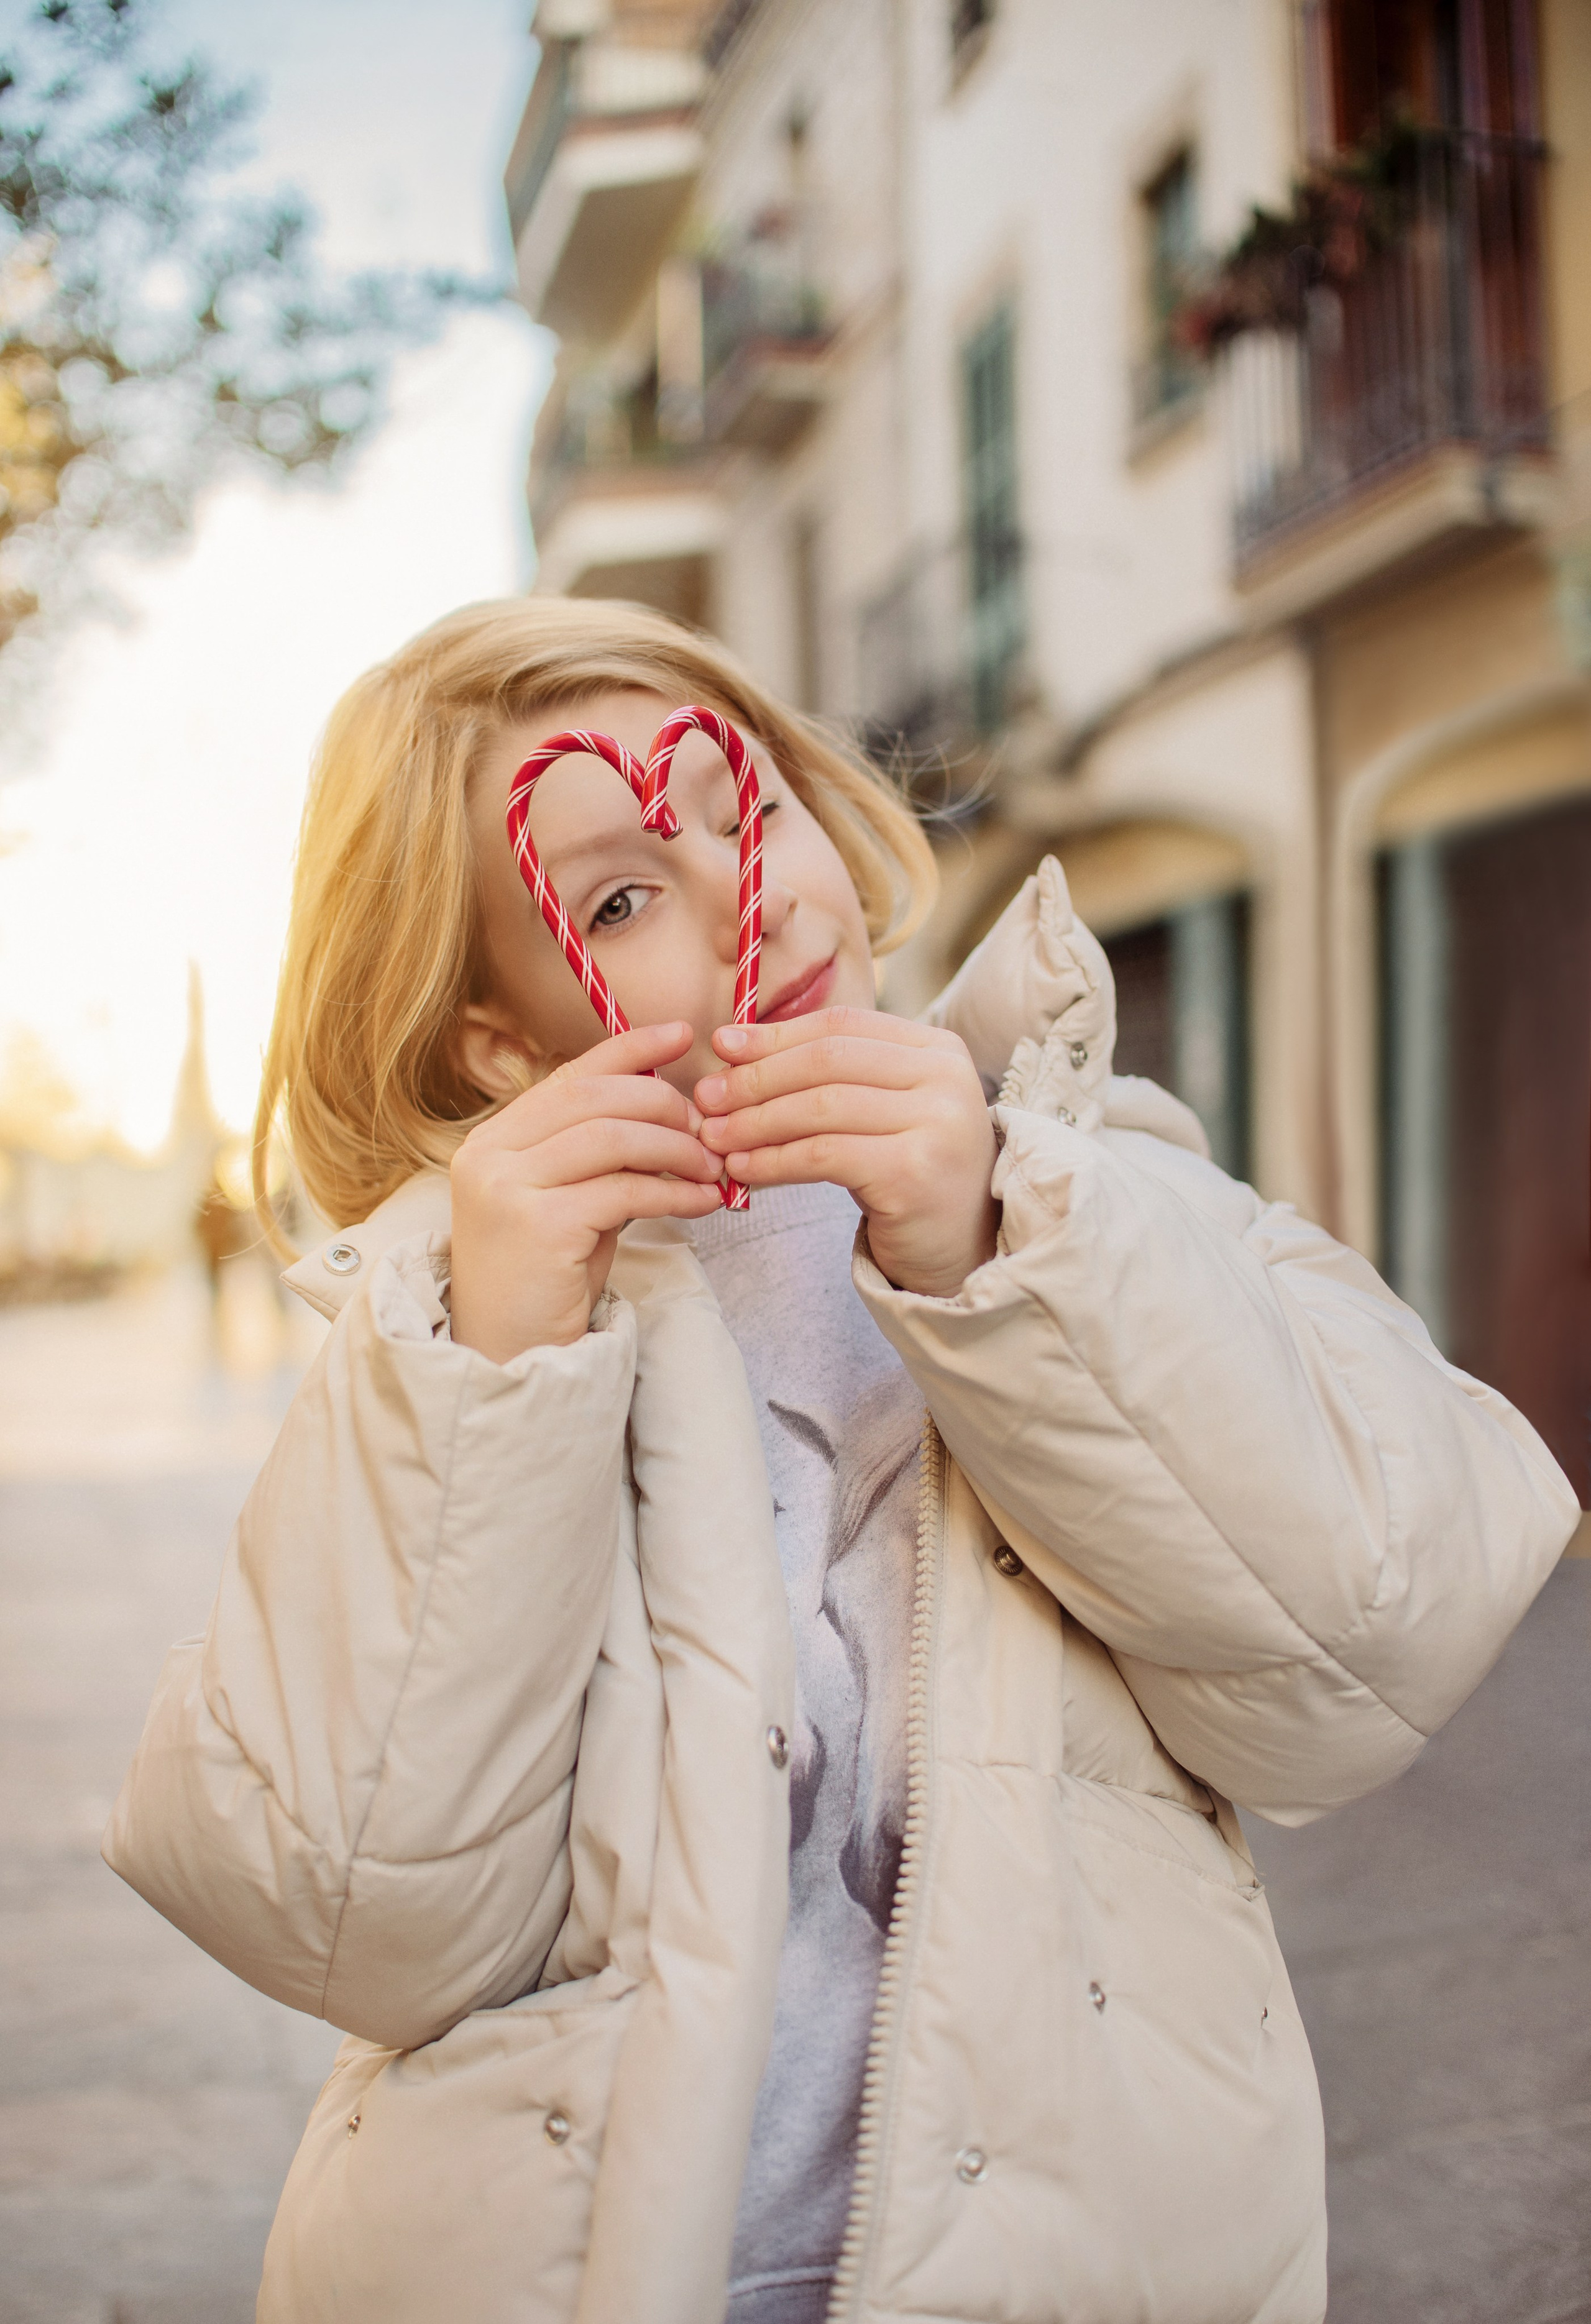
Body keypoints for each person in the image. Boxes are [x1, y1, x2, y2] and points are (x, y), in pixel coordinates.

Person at [104, 598, 1579, 2324]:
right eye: (622, 898)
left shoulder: (1115, 1191)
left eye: (746, 809)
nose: (750, 896)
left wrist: (1004, 1251)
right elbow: (356, 1926)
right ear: (502, 1039)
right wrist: (495, 1369)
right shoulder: (438, 1355)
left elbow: (1363, 1656)